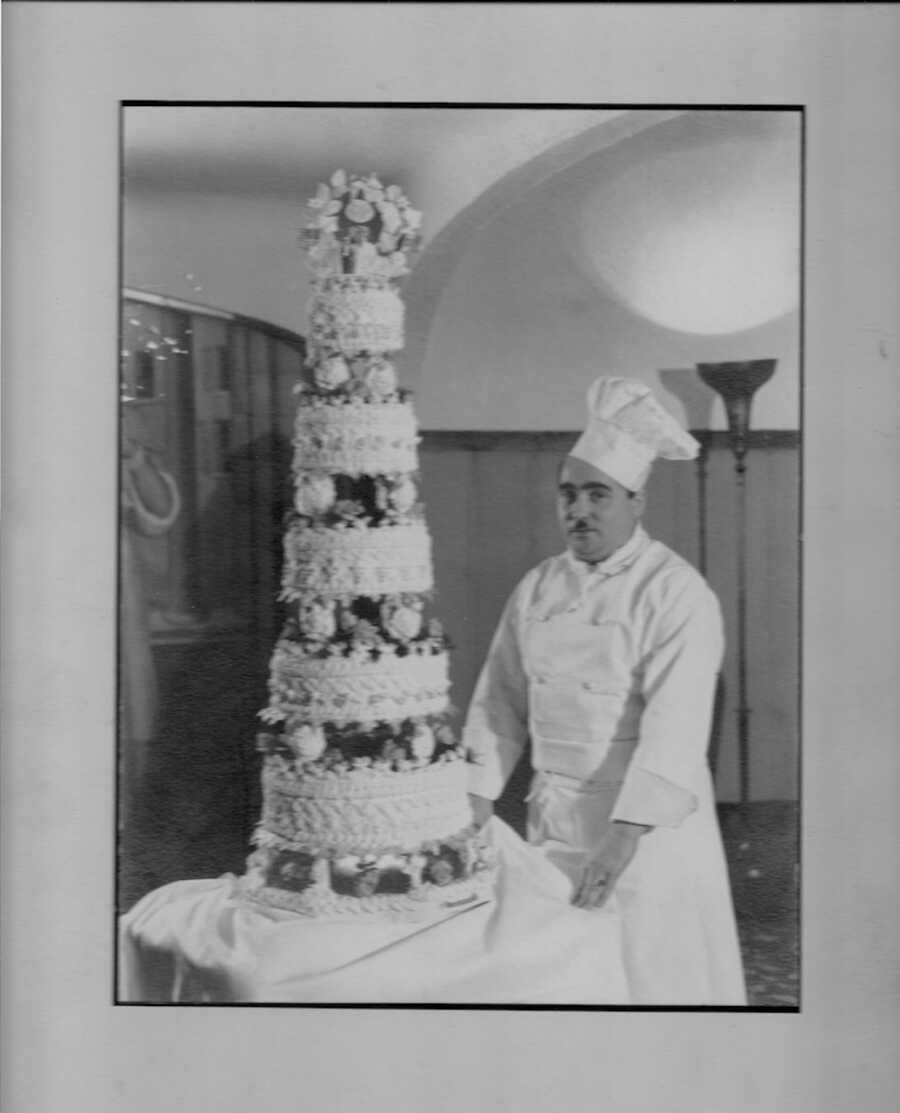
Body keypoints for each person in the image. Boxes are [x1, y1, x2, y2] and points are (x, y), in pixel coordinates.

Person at [463, 376, 746, 1005]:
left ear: (635, 500)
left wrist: (622, 841)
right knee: (564, 981)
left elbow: (676, 727)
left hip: (645, 830)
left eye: (598, 495)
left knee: (648, 982)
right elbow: (499, 700)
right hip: (555, 816)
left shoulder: (675, 592)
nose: (579, 511)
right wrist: (475, 797)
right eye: (568, 495)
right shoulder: (537, 587)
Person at [119, 404, 181, 819]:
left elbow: (160, 516)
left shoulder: (122, 423)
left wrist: (134, 458)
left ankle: (129, 814)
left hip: (114, 582)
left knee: (129, 697)